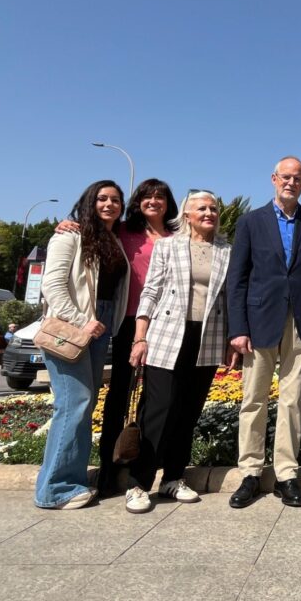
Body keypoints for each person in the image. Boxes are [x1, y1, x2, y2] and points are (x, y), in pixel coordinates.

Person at [56, 178, 179, 495]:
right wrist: (68, 224)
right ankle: (109, 470)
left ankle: (144, 465)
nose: (154, 201)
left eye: (160, 197)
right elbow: (93, 230)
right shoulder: (123, 231)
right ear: (136, 202)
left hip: (166, 327)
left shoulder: (177, 236)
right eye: (147, 196)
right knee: (119, 396)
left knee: (155, 400)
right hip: (126, 322)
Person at [227, 156, 301, 509]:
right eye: (285, 177)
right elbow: (237, 280)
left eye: (297, 178)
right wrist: (237, 328)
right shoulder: (251, 222)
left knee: (292, 401)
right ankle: (251, 472)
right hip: (258, 324)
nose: (291, 182)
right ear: (274, 179)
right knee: (253, 399)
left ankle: (286, 474)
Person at [124, 190, 234, 513]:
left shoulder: (227, 251)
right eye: (202, 208)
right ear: (187, 214)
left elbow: (229, 299)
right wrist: (139, 337)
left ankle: (173, 478)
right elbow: (151, 291)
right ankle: (138, 484)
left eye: (213, 208)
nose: (209, 213)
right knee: (159, 408)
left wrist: (231, 340)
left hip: (207, 336)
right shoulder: (168, 246)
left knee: (188, 411)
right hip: (167, 335)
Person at [35, 180, 129, 510]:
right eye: (102, 198)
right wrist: (81, 320)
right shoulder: (69, 235)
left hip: (99, 326)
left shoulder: (114, 239)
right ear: (90, 202)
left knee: (83, 404)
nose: (109, 204)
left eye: (116, 200)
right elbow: (53, 285)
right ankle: (56, 490)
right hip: (72, 326)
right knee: (74, 402)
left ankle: (61, 479)